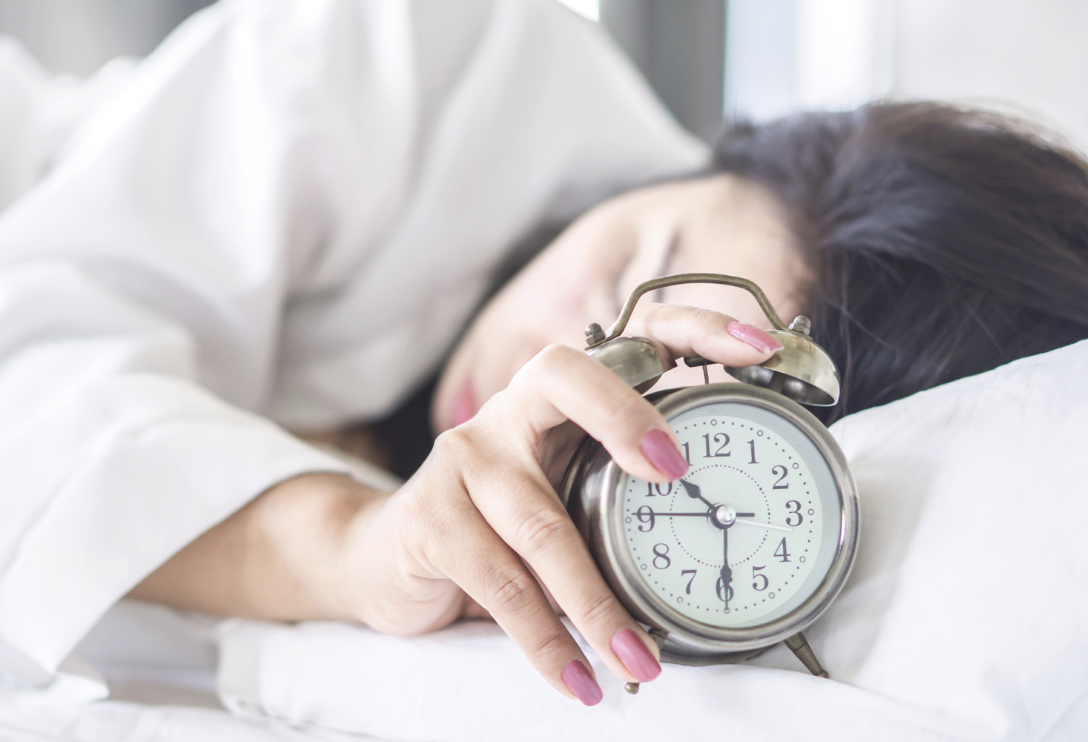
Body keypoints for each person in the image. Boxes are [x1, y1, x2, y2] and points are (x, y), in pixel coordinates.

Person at [2, 0, 1088, 713]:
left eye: (652, 390)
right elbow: (29, 365)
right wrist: (349, 542)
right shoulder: (442, 53)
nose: (555, 364)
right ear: (710, 158)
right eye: (640, 263)